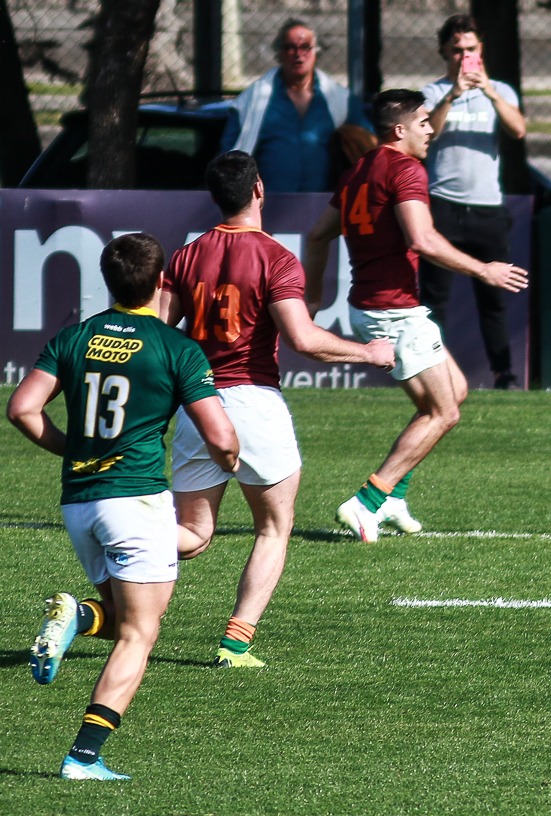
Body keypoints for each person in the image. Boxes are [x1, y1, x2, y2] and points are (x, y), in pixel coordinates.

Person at [7, 234, 240, 780]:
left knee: (128, 615)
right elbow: (220, 435)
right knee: (142, 631)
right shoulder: (174, 347)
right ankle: (83, 757)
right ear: (162, 283)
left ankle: (80, 617)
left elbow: (22, 408)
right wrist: (229, 462)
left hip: (79, 505)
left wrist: (72, 446)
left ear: (107, 281)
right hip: (134, 499)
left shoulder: (75, 337)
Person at [161, 151, 394, 669]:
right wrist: (369, 352)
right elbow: (303, 338)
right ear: (259, 189)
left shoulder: (186, 254)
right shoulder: (275, 257)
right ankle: (236, 643)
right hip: (252, 402)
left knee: (194, 536)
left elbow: (160, 332)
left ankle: (101, 591)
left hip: (198, 406)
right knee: (273, 527)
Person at [302, 89, 528, 543]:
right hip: (394, 312)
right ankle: (367, 501)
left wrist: (313, 294)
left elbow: (317, 235)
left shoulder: (357, 171)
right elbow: (422, 239)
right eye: (423, 122)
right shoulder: (406, 169)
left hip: (378, 305)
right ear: (399, 130)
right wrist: (484, 268)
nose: (431, 129)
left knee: (455, 391)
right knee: (443, 413)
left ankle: (394, 496)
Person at [420, 13, 527, 390]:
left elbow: (518, 129)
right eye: (456, 51)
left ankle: (504, 374)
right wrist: (454, 94)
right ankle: (434, 374)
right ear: (443, 53)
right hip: (443, 206)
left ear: (480, 50)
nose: (463, 57)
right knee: (435, 298)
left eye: (470, 49)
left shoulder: (500, 90)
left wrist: (489, 91)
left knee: (494, 298)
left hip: (487, 208)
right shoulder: (433, 93)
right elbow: (428, 133)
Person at [221, 18, 369, 192]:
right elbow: (227, 158)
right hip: (267, 207)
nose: (298, 54)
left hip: (325, 208)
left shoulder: (341, 99)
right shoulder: (251, 100)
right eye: (290, 47)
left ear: (316, 52)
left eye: (305, 46)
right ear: (280, 53)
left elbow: (370, 148)